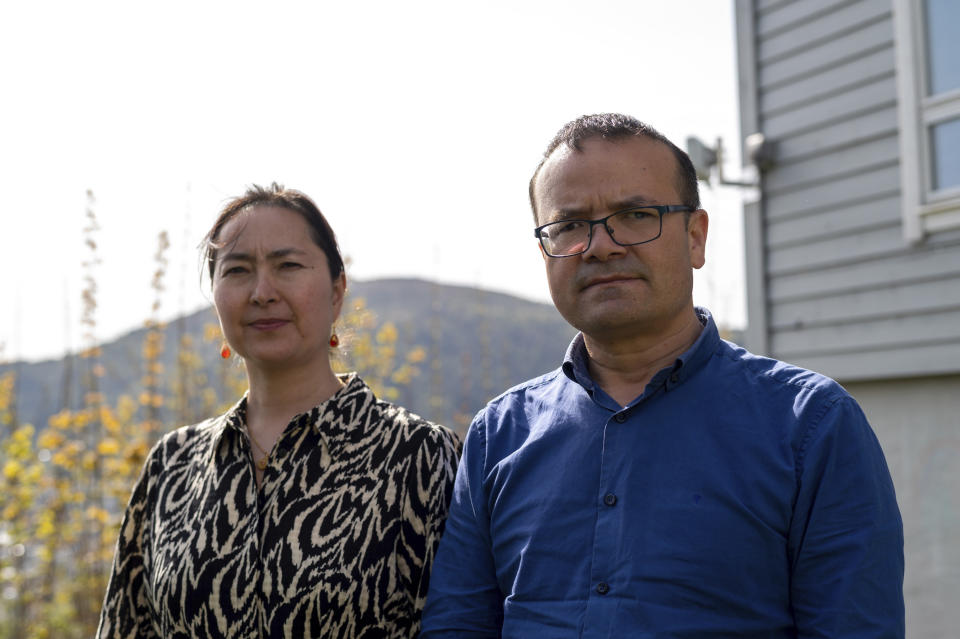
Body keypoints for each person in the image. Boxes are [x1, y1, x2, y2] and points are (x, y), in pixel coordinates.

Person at [421, 114, 904, 637]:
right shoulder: (500, 433)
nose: (600, 245)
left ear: (696, 237)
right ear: (545, 251)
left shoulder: (810, 425)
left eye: (635, 215)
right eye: (569, 225)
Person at [97, 183, 460, 638]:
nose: (262, 292)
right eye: (237, 270)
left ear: (336, 291)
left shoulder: (417, 455)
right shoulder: (172, 466)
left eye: (288, 266)